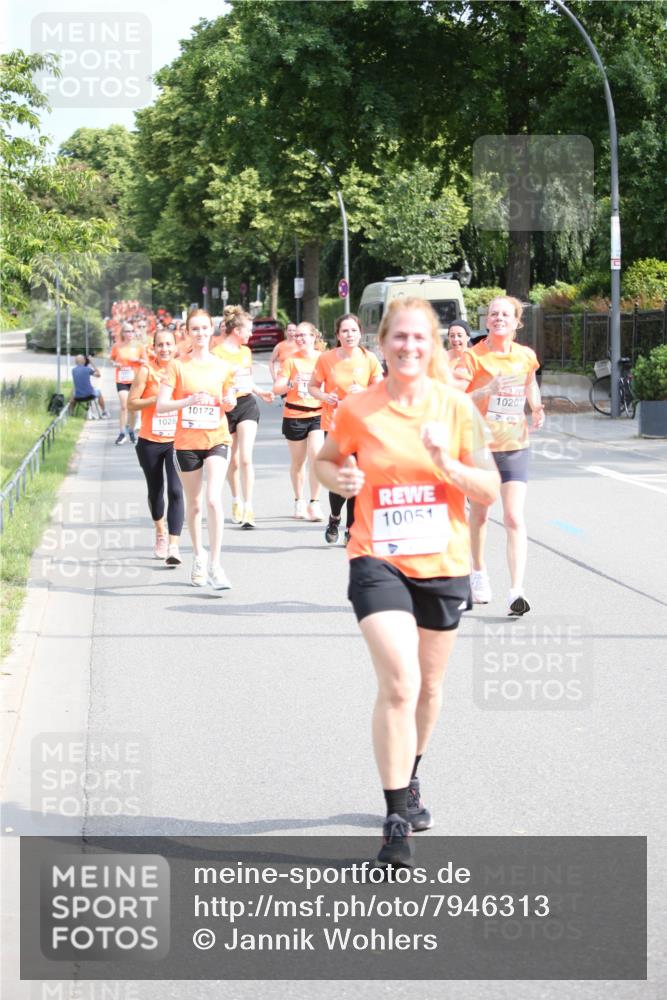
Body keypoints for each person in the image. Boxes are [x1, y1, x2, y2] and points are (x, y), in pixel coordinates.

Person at [315, 298, 500, 865]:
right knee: (400, 682)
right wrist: (339, 478)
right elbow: (325, 460)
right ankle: (397, 817)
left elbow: (487, 490)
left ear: (435, 345)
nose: (410, 346)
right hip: (377, 558)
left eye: (421, 338)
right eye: (400, 337)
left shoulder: (456, 409)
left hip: (443, 563)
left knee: (429, 686)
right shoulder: (357, 409)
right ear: (382, 341)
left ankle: (410, 774)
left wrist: (450, 463)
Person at [453, 296, 544, 615]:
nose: (498, 318)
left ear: (517, 322)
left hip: (515, 445)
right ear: (487, 320)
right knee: (478, 516)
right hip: (480, 448)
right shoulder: (472, 357)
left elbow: (530, 384)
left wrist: (537, 406)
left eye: (505, 314)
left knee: (514, 517)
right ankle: (477, 572)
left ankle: (516, 590)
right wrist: (486, 390)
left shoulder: (525, 356)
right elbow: (456, 399)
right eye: (493, 314)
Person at [156, 309, 236, 590]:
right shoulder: (177, 366)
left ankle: (216, 564)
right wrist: (187, 402)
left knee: (214, 499)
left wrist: (228, 401)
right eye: (195, 329)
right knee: (196, 503)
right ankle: (198, 556)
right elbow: (161, 405)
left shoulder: (222, 366)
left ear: (211, 331)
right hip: (187, 443)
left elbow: (230, 402)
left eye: (205, 329)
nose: (201, 334)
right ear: (187, 333)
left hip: (217, 438)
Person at [308, 313, 383, 544]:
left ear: (360, 333)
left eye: (354, 331)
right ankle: (334, 517)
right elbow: (312, 387)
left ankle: (351, 528)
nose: (350, 335)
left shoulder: (369, 358)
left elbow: (381, 390)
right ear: (338, 335)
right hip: (335, 424)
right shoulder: (326, 359)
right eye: (345, 331)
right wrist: (325, 396)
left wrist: (367, 393)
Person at [128, 328, 184, 564]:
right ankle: (160, 531)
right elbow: (131, 403)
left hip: (177, 440)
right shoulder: (146, 370)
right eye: (160, 345)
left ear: (175, 346)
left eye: (169, 344)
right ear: (154, 347)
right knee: (156, 491)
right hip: (150, 440)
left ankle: (173, 546)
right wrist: (155, 401)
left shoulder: (182, 369)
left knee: (176, 491)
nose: (165, 349)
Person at [213, 309, 274, 528]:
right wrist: (222, 397)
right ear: (237, 330)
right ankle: (236, 499)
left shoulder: (246, 352)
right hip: (226, 407)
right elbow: (211, 382)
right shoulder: (217, 353)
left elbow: (246, 379)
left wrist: (260, 392)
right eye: (249, 329)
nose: (252, 333)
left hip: (247, 404)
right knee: (234, 459)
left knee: (246, 457)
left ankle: (249, 507)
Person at [273, 322, 325, 520]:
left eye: (305, 335)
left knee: (316, 456)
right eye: (298, 336)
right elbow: (277, 388)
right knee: (298, 462)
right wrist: (290, 383)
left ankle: (315, 502)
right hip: (294, 415)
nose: (300, 339)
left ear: (314, 337)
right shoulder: (290, 361)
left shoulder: (322, 359)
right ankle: (299, 500)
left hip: (318, 414)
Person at [109, 323, 147, 444]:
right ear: (122, 333)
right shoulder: (117, 346)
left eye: (131, 331)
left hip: (135, 379)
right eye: (127, 331)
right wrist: (115, 364)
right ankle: (121, 433)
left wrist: (138, 360)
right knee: (124, 405)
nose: (129, 333)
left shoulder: (139, 346)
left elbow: (146, 361)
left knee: (133, 408)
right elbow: (112, 359)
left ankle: (131, 430)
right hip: (121, 379)